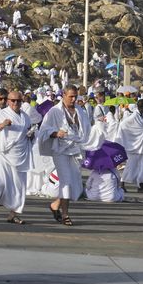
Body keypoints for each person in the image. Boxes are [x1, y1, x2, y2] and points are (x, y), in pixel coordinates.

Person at [38, 85, 91, 226]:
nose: (73, 99)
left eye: (75, 96)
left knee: (74, 182)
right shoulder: (54, 112)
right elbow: (43, 130)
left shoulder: (80, 111)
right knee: (66, 181)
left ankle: (55, 205)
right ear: (63, 95)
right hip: (60, 150)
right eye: (71, 96)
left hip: (74, 149)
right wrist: (56, 133)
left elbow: (86, 129)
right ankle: (65, 214)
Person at [0, 90, 32, 224]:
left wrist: (31, 135)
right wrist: (2, 125)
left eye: (18, 101)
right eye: (12, 101)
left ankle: (13, 214)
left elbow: (28, 131)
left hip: (20, 155)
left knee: (20, 186)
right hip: (3, 154)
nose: (15, 103)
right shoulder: (2, 114)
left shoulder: (25, 117)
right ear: (8, 101)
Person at [115, 99, 143, 192]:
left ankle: (141, 186)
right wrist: (131, 138)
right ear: (142, 107)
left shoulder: (141, 116)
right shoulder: (134, 116)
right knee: (130, 166)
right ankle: (122, 183)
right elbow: (123, 125)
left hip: (141, 146)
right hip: (134, 146)